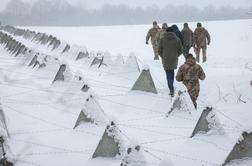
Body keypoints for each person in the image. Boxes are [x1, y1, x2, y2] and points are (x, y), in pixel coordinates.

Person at [158, 27, 183, 97]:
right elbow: (181, 50)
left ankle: (171, 89)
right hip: (174, 59)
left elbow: (159, 50)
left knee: (168, 73)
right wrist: (176, 55)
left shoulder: (162, 39)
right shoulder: (177, 39)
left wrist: (163, 56)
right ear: (173, 32)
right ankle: (171, 87)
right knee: (172, 72)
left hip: (166, 59)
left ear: (166, 31)